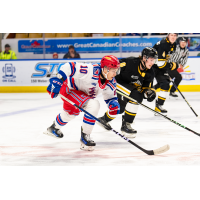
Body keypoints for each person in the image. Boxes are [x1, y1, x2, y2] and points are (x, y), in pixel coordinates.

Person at [43, 55, 120, 151]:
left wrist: (113, 104)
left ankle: (53, 128)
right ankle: (85, 137)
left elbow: (111, 96)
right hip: (68, 88)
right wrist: (58, 80)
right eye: (113, 71)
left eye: (116, 71)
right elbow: (69, 66)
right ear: (105, 69)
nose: (115, 74)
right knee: (93, 105)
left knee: (70, 114)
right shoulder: (91, 70)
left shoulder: (111, 81)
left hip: (81, 95)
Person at [98, 47, 158, 138]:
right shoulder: (130, 63)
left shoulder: (150, 72)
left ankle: (103, 119)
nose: (153, 63)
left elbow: (146, 88)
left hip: (128, 89)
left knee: (120, 109)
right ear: (144, 58)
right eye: (151, 60)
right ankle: (126, 124)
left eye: (154, 60)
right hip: (115, 84)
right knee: (136, 95)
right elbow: (112, 66)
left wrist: (149, 94)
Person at [152, 33, 178, 115]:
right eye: (171, 35)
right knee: (142, 87)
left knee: (165, 84)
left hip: (159, 67)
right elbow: (160, 63)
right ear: (168, 36)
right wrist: (172, 65)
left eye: (175, 35)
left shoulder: (173, 45)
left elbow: (164, 60)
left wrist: (168, 68)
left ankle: (158, 105)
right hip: (150, 66)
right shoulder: (164, 44)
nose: (173, 37)